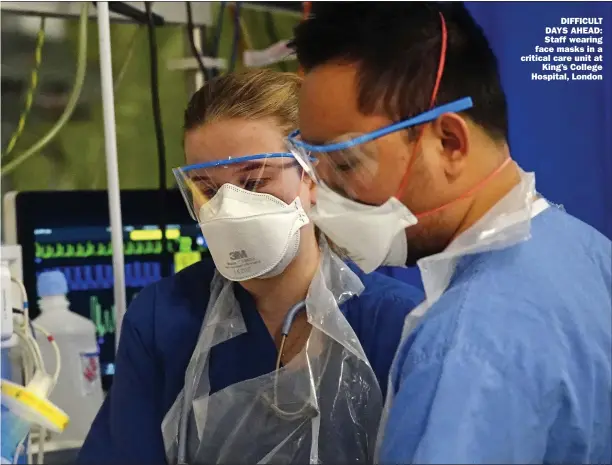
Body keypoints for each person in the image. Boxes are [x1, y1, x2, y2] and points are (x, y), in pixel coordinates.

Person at [288, 3, 612, 464]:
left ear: (449, 143)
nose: (322, 196)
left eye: (346, 163)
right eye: (314, 165)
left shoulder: (465, 350)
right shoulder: (585, 253)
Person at [77, 69, 423, 465]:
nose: (229, 208)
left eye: (255, 181)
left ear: (313, 175)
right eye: (208, 189)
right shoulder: (163, 321)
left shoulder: (395, 323)